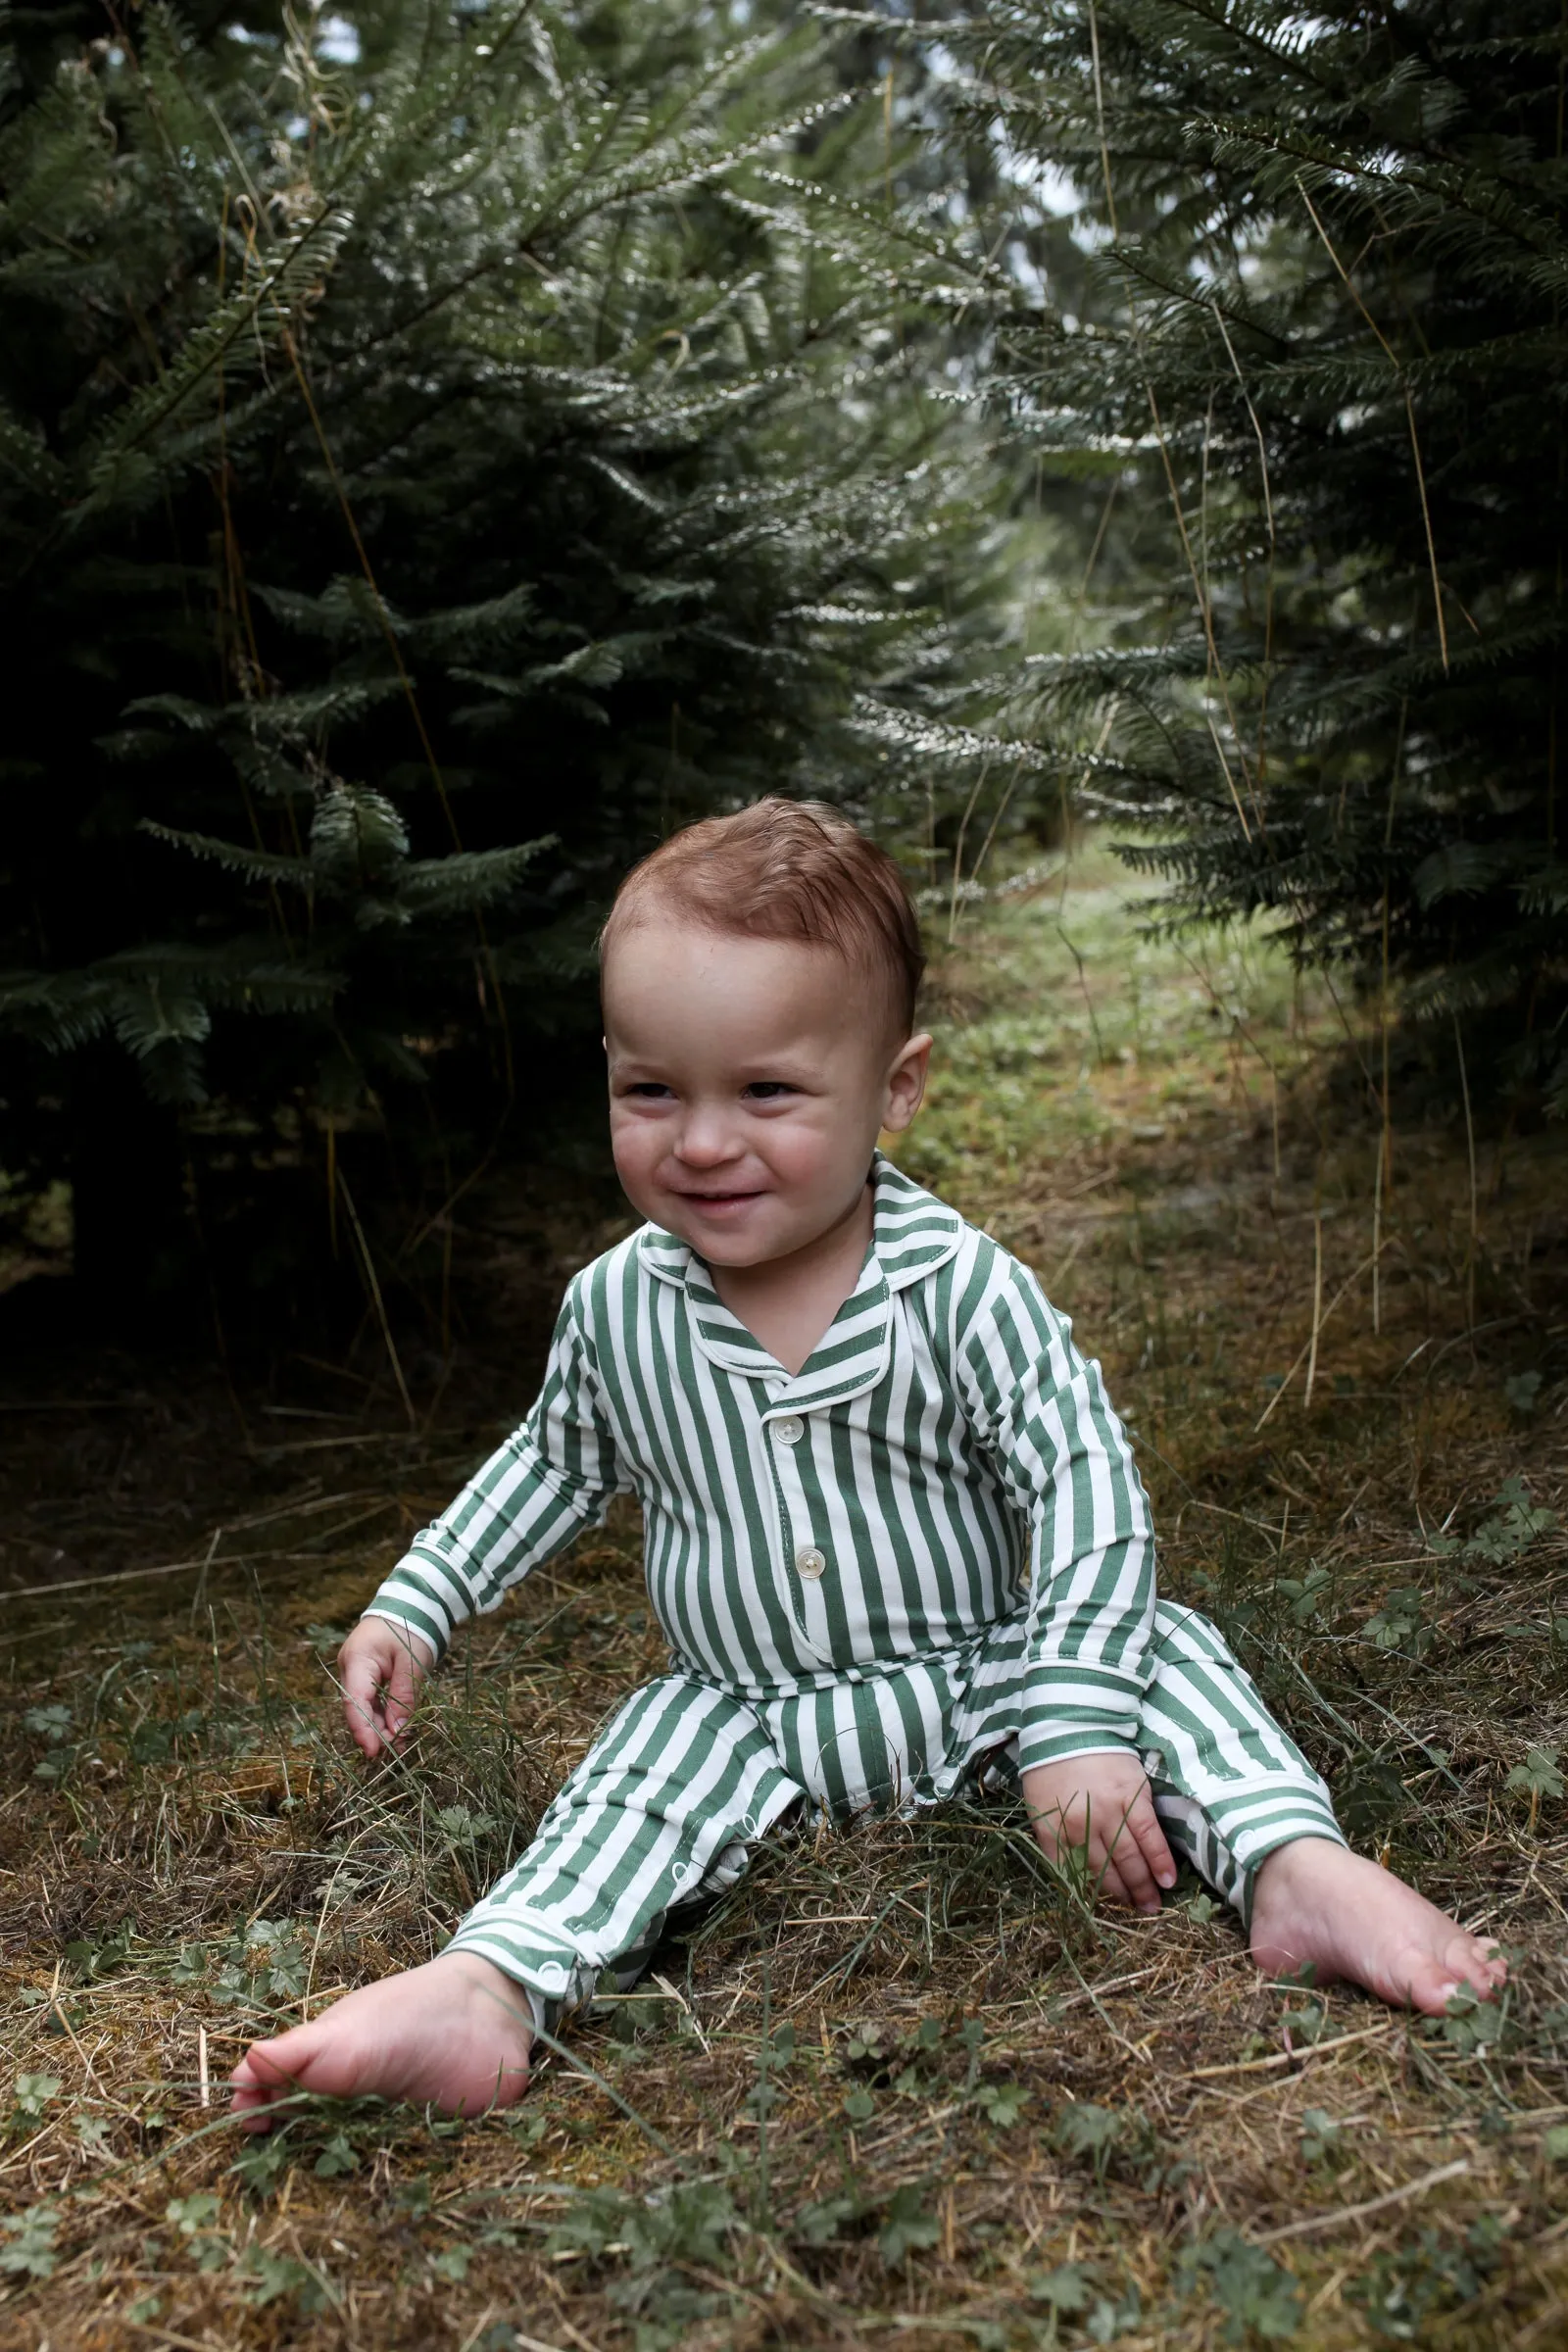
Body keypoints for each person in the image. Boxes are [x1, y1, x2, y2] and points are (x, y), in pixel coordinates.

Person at [231, 800, 1503, 2128]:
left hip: (986, 1677)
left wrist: (1070, 1718)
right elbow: (547, 1467)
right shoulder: (618, 1309)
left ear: (898, 1086)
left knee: (1166, 1653)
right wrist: (417, 1606)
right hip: (748, 1711)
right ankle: (488, 1986)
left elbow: (1085, 1486)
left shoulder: (958, 1289)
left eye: (766, 1091)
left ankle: (1294, 1865)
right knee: (632, 1773)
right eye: (650, 1090)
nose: (703, 1141)